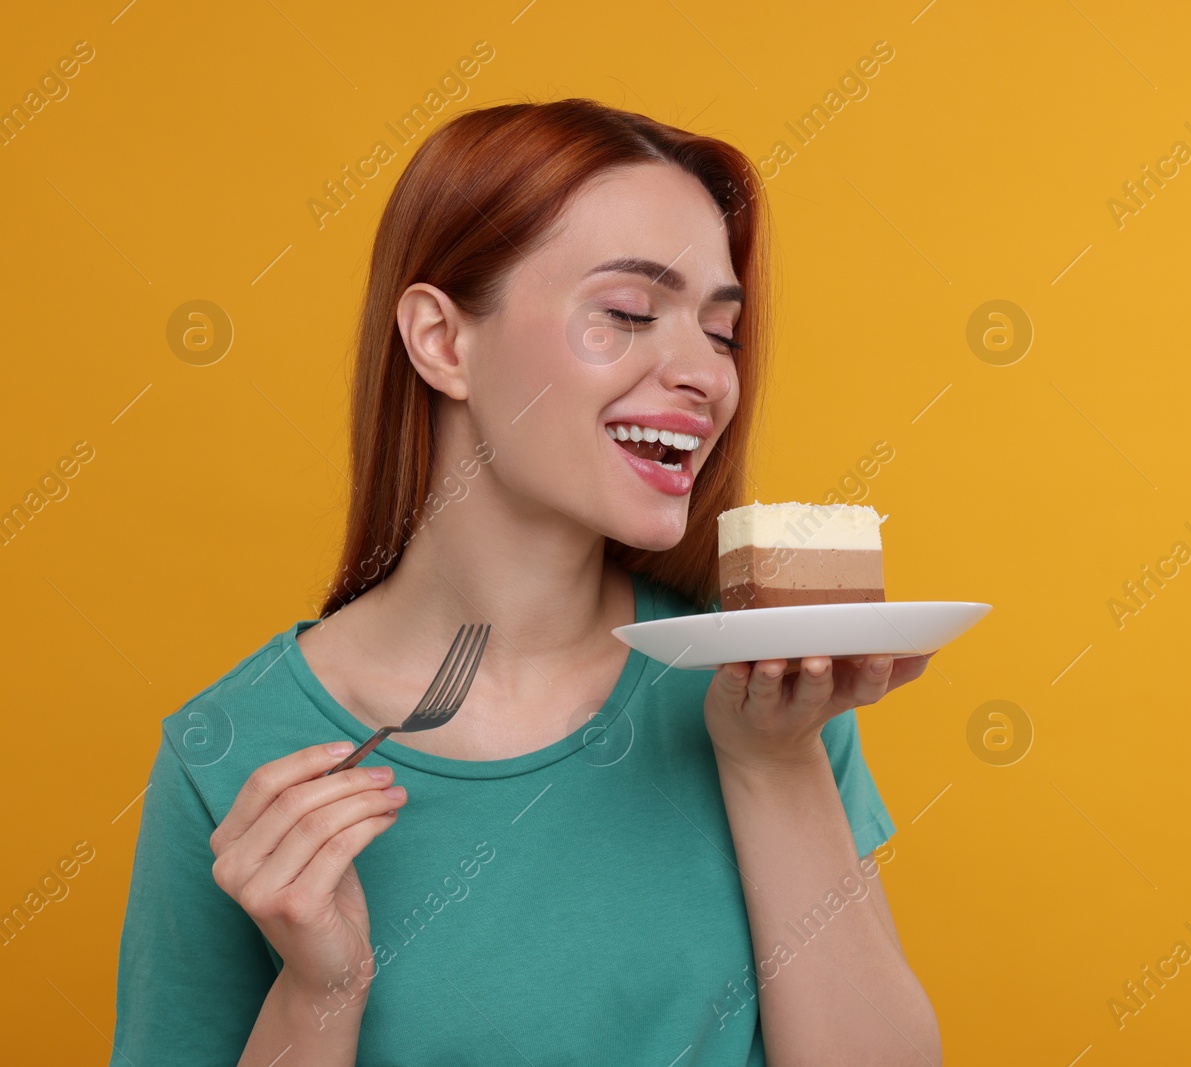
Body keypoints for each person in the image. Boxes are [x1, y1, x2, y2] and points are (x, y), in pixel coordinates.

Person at [108, 98, 943, 1066]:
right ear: (441, 341)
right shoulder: (231, 750)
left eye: (721, 333)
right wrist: (319, 993)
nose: (707, 376)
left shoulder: (764, 687)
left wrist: (773, 761)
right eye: (628, 313)